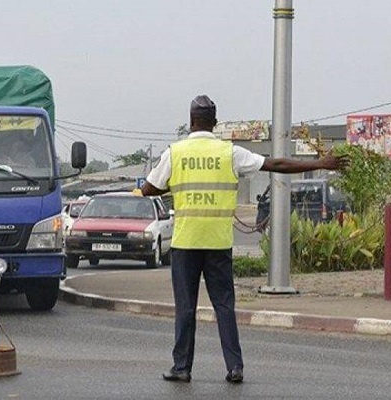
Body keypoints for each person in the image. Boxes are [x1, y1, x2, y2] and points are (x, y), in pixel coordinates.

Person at [141, 94, 348, 384]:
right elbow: (276, 164)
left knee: (185, 307)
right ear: (214, 123)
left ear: (190, 122)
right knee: (224, 305)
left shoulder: (175, 153)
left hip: (185, 242)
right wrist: (321, 162)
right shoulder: (230, 153)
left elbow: (149, 189)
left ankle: (182, 367)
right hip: (218, 242)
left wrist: (168, 186)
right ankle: (234, 367)